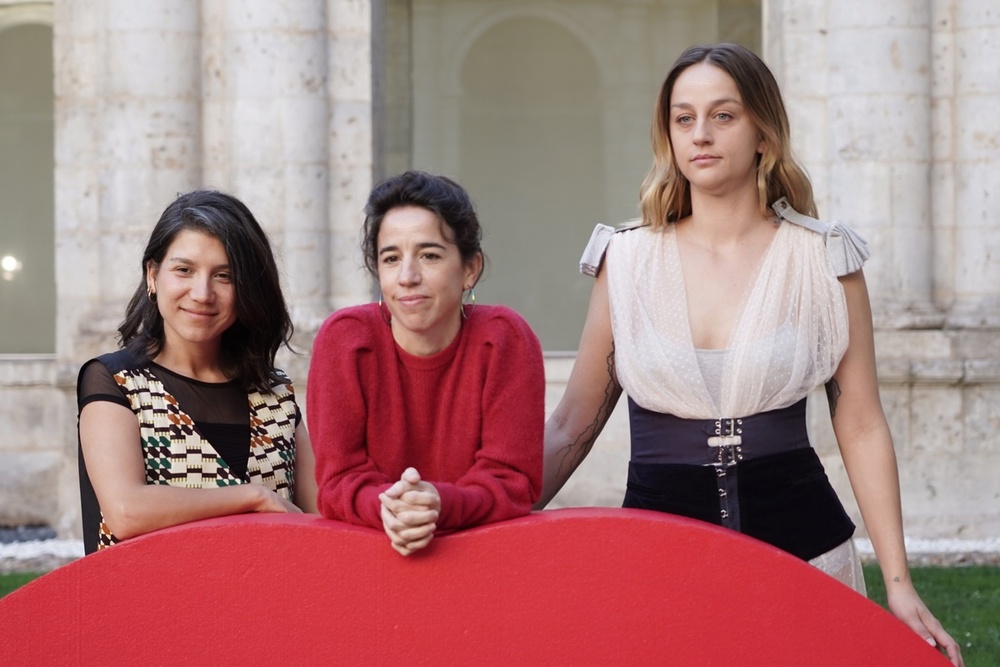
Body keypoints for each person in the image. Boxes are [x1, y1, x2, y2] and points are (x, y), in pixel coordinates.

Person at [537, 43, 962, 665]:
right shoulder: (626, 260)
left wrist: (898, 584)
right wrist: (488, 520)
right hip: (654, 568)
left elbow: (862, 422)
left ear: (763, 132)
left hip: (807, 558)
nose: (701, 135)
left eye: (724, 115)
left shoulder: (825, 259)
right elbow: (574, 424)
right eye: (684, 119)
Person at [307, 170, 544, 556]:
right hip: (369, 557)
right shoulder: (346, 340)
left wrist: (439, 504)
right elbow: (338, 481)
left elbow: (512, 481)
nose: (407, 276)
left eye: (429, 255)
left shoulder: (503, 339)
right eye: (391, 258)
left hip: (482, 558)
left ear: (470, 269)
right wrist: (397, 508)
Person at [77, 189, 317, 555]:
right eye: (184, 270)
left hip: (269, 605)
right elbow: (126, 510)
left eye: (224, 276)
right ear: (153, 276)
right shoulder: (115, 381)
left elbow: (322, 515)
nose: (202, 293)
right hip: (150, 606)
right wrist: (253, 497)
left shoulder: (275, 395)